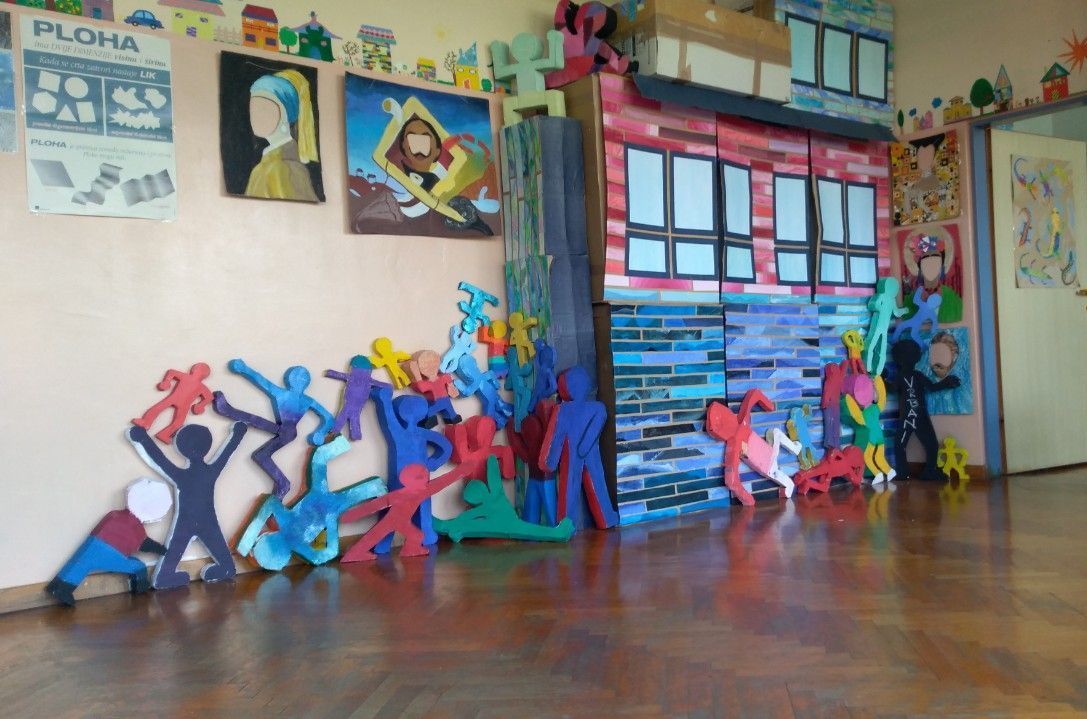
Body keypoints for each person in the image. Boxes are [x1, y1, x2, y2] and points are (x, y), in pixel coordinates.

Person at [46, 478, 172, 606]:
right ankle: (140, 588)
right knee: (138, 566)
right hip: (110, 553)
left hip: (92, 543)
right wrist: (161, 550)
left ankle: (58, 587)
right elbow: (143, 544)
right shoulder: (136, 526)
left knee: (79, 564)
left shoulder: (114, 514)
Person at [245, 69, 320, 202]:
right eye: (253, 108)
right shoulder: (266, 167)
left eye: (264, 108)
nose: (256, 116)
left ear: (286, 115)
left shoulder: (284, 169)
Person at [902, 227, 962, 323]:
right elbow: (906, 316)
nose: (931, 266)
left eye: (935, 261)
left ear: (942, 265)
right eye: (926, 262)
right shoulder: (912, 299)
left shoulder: (952, 298)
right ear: (919, 266)